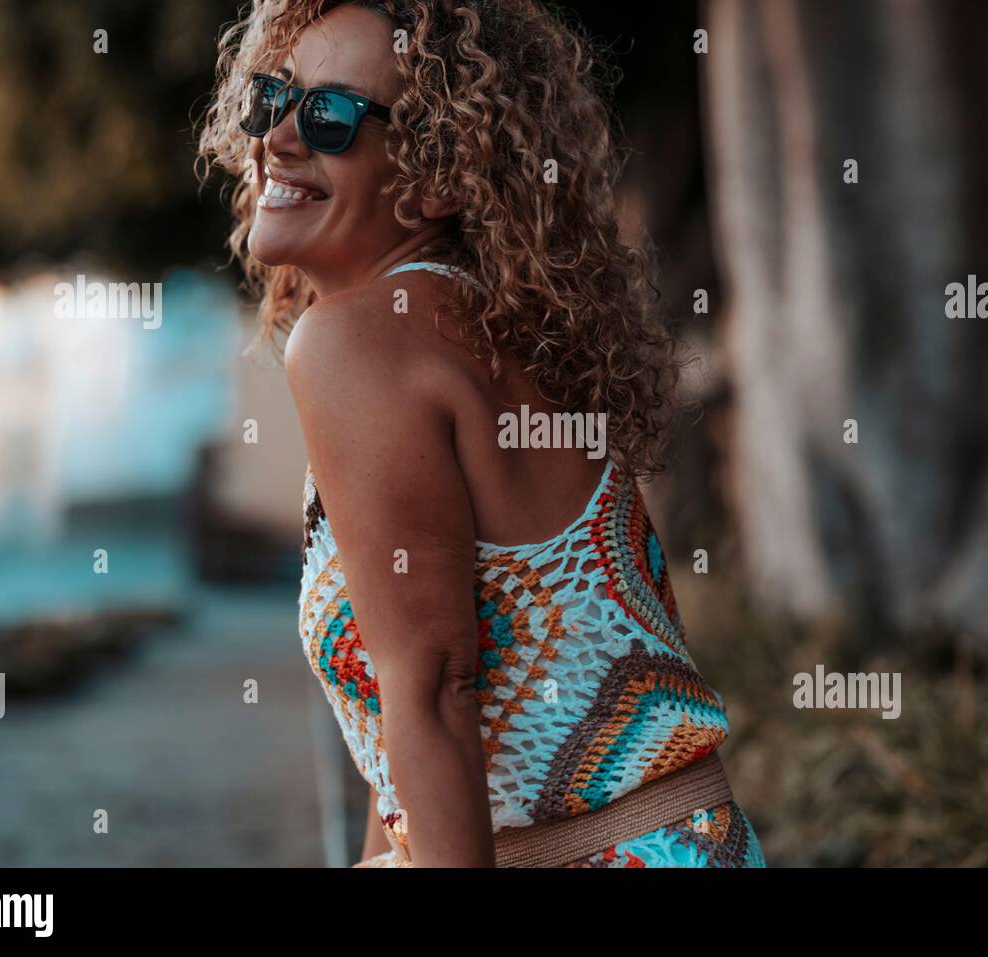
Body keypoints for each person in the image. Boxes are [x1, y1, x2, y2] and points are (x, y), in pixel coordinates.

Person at [198, 0, 765, 868]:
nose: (277, 135)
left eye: (332, 115)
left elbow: (431, 695)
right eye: (273, 97)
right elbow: (408, 741)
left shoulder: (358, 343)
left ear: (440, 176)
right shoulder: (476, 323)